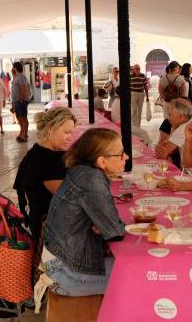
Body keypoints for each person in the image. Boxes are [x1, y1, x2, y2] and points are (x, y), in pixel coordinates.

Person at [42, 128, 126, 296]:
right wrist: (108, 225)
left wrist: (102, 225)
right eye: (121, 154)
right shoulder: (92, 180)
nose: (126, 158)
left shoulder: (82, 171)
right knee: (140, 277)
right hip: (66, 272)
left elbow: (106, 225)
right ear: (102, 161)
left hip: (63, 260)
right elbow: (115, 232)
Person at [13, 107, 77, 241]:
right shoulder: (51, 160)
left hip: (38, 222)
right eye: (66, 132)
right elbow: (71, 197)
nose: (70, 137)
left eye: (72, 133)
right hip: (51, 230)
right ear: (50, 128)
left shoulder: (35, 152)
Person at [155, 98, 192, 177]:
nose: (168, 118)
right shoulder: (190, 123)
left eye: (171, 115)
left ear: (182, 117)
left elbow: (161, 154)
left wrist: (158, 147)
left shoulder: (184, 128)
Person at [11, 62, 30, 142]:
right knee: (19, 117)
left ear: (15, 68)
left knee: (23, 117)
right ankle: (22, 132)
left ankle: (24, 134)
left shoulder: (22, 76)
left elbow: (23, 88)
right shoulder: (16, 77)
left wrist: (21, 99)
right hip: (16, 101)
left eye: (13, 68)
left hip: (21, 100)